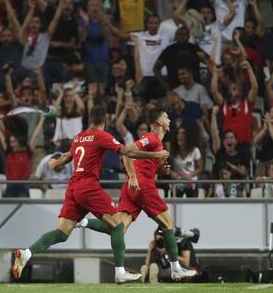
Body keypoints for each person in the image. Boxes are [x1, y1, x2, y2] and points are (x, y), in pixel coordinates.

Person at [12, 106, 169, 284]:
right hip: (88, 186)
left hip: (73, 188)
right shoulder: (103, 136)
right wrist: (155, 154)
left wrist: (54, 163)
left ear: (89, 120)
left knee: (62, 233)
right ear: (105, 121)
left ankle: (26, 253)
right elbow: (128, 152)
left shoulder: (79, 137)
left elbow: (66, 157)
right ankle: (120, 272)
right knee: (118, 225)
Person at [78, 108, 197, 281]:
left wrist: (161, 169)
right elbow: (127, 152)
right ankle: (176, 268)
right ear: (159, 122)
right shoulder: (151, 137)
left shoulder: (158, 143)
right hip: (141, 185)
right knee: (168, 223)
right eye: (166, 118)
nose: (169, 120)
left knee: (118, 226)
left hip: (132, 186)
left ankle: (82, 221)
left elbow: (145, 164)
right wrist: (134, 176)